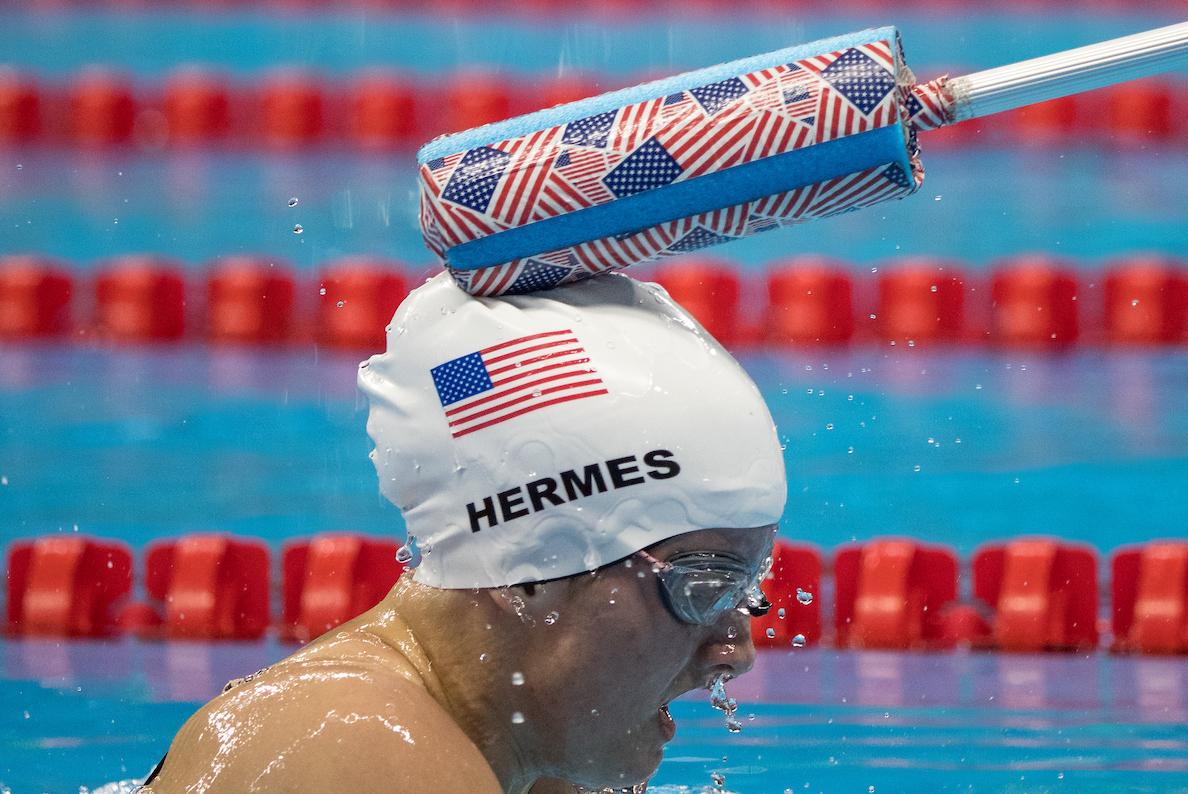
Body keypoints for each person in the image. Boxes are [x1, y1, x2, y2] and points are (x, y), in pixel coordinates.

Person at [142, 270, 786, 793]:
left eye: (744, 595)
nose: (737, 649)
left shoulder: (530, 755)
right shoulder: (358, 745)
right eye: (705, 588)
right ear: (528, 568)